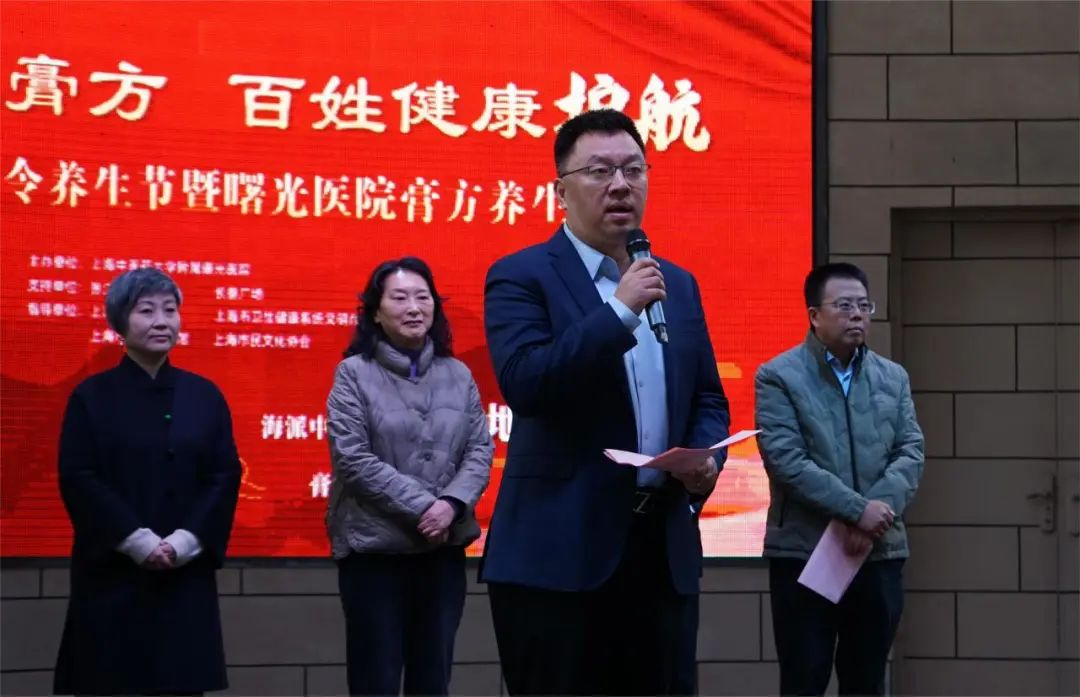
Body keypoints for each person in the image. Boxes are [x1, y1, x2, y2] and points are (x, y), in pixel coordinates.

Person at [480, 109, 730, 696]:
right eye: (599, 171)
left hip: (660, 552)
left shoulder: (678, 283)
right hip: (558, 556)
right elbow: (527, 383)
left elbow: (706, 396)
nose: (620, 185)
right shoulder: (520, 276)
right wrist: (619, 311)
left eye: (633, 170)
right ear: (560, 191)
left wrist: (705, 458)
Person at [54, 268, 242, 695]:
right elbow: (79, 477)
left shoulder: (204, 395)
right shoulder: (91, 396)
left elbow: (224, 475)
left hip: (183, 573)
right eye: (146, 311)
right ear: (120, 323)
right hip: (113, 573)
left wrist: (183, 542)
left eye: (170, 310)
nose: (162, 321)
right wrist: (137, 541)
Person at [755, 262, 925, 696]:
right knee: (803, 679)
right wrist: (856, 510)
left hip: (878, 552)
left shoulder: (893, 377)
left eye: (864, 306)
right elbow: (786, 461)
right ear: (814, 315)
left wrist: (876, 514)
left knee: (866, 681)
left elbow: (910, 451)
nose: (857, 315)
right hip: (806, 552)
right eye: (845, 305)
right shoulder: (778, 376)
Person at [326, 257, 493, 697]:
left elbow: (480, 450)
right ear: (376, 311)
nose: (414, 307)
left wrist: (451, 505)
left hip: (441, 553)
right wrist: (425, 507)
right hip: (374, 554)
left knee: (433, 679)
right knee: (375, 680)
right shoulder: (353, 374)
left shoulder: (458, 374)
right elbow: (352, 458)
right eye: (399, 298)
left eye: (423, 297)